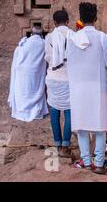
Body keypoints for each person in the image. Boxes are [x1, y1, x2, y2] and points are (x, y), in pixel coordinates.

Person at [66, 3, 107, 174]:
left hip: (78, 88)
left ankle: (86, 162)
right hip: (99, 87)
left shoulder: (72, 39)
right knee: (100, 127)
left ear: (80, 17)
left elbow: (69, 64)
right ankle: (99, 163)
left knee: (82, 127)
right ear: (95, 17)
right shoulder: (103, 38)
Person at [44, 10, 74, 158]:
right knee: (69, 112)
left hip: (53, 79)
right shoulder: (73, 35)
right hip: (69, 79)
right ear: (68, 21)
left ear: (55, 23)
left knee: (54, 112)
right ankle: (65, 147)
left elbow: (48, 57)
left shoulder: (49, 37)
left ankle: (57, 144)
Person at [8, 26, 48, 122]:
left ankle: (21, 110)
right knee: (34, 89)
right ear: (41, 34)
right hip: (36, 73)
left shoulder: (23, 43)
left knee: (22, 90)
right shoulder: (44, 44)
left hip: (22, 72)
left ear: (31, 33)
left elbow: (17, 57)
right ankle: (35, 111)